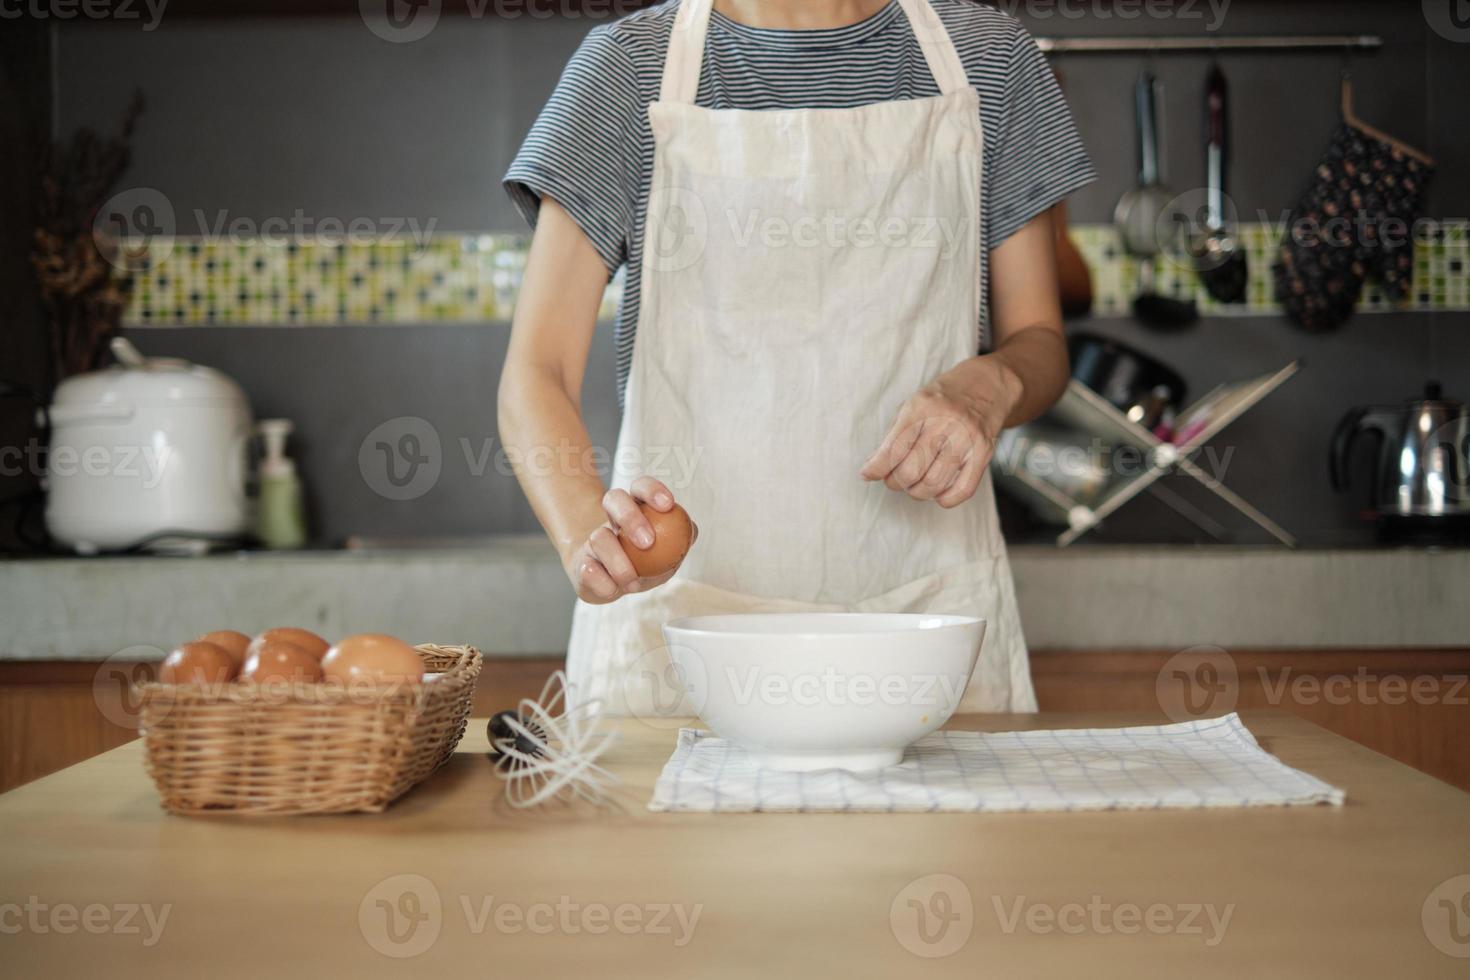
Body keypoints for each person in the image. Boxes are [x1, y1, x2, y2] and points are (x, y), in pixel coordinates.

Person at [499, 0, 1094, 716]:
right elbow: (538, 371)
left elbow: (1041, 343)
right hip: (687, 637)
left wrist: (990, 383)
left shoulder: (988, 58)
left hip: (923, 623)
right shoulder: (629, 68)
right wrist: (585, 538)